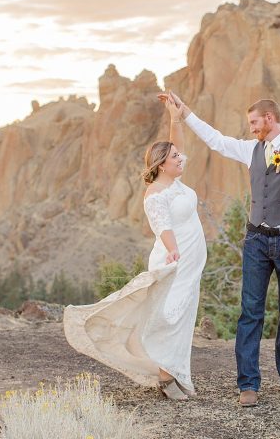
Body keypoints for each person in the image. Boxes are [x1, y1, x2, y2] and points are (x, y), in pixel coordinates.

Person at [162, 91, 280, 408]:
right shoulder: (251, 150)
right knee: (250, 312)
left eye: (253, 122)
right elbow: (216, 140)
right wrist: (185, 113)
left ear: (270, 119)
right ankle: (248, 384)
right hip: (256, 241)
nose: (250, 128)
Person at [63, 94, 206, 401]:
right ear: (162, 166)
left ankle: (175, 373)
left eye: (179, 157)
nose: (181, 159)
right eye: (175, 159)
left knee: (183, 316)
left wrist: (174, 117)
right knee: (167, 314)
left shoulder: (176, 181)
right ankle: (164, 373)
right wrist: (173, 250)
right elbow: (162, 225)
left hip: (192, 262)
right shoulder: (156, 193)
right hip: (174, 260)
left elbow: (176, 143)